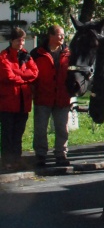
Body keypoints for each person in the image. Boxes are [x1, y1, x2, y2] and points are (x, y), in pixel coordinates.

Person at [30, 25, 72, 167]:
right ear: (51, 36)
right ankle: (41, 155)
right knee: (40, 128)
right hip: (43, 96)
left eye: (63, 35)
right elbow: (32, 74)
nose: (62, 38)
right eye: (60, 35)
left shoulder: (68, 54)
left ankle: (61, 154)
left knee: (62, 128)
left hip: (62, 97)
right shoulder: (37, 53)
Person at [0, 27, 39, 170]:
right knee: (8, 134)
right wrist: (24, 77)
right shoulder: (3, 56)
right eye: (18, 40)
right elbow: (7, 76)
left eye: (22, 40)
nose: (21, 42)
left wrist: (18, 75)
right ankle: (7, 160)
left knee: (18, 133)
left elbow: (35, 73)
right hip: (8, 102)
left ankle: (17, 158)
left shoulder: (26, 55)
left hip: (23, 101)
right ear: (11, 41)